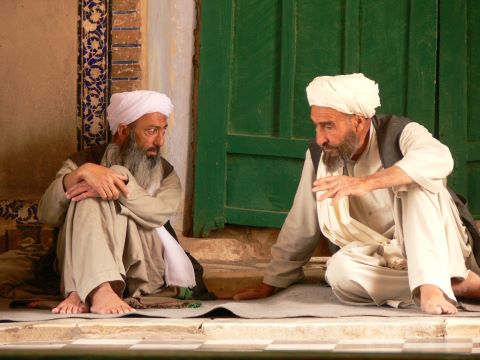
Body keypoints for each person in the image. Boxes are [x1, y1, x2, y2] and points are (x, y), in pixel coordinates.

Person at [232, 73, 480, 315]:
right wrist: (270, 283)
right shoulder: (320, 156)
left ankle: (432, 284)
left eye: (328, 126)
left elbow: (439, 158)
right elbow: (301, 225)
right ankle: (451, 283)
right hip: (382, 260)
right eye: (317, 126)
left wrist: (366, 183)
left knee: (416, 182)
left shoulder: (401, 132)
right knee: (339, 272)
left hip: (442, 245)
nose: (320, 138)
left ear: (359, 121)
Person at [38, 90, 208, 314]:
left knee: (94, 194)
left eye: (163, 131)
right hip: (76, 251)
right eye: (151, 131)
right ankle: (101, 289)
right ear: (123, 130)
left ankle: (83, 290)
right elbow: (46, 214)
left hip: (144, 262)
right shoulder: (80, 163)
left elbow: (157, 214)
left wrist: (117, 183)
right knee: (88, 200)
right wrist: (83, 172)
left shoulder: (165, 173)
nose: (160, 141)